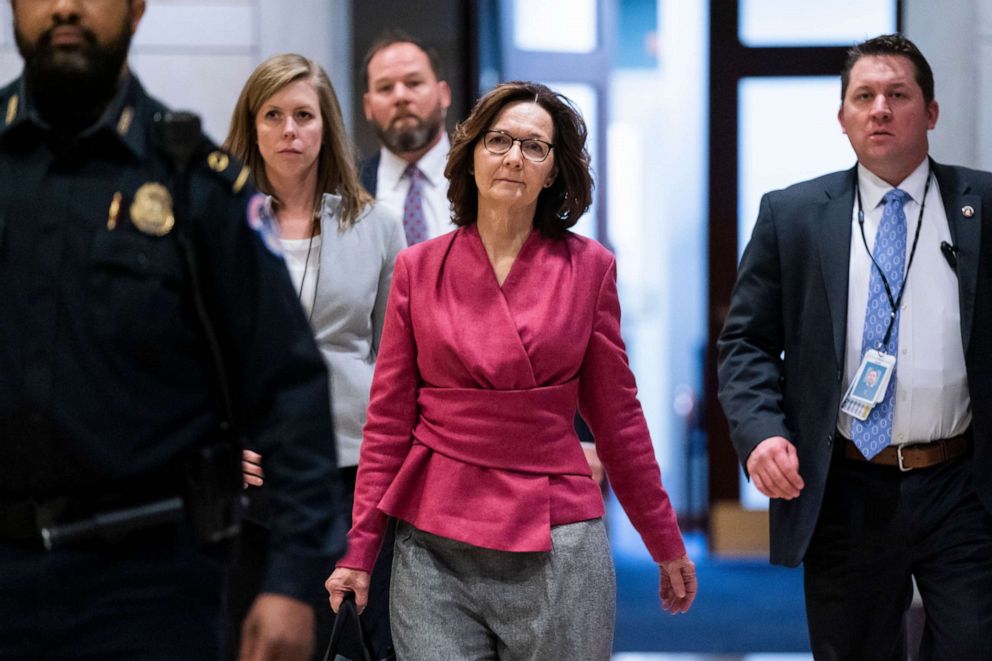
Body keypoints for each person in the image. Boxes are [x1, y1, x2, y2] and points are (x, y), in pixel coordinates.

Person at [0, 2, 346, 660]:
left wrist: (292, 580)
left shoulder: (196, 181)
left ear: (135, 10)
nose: (66, 7)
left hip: (148, 589)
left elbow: (289, 387)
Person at [327, 81, 697, 660]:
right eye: (499, 141)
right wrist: (360, 550)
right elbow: (388, 423)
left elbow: (618, 418)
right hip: (433, 541)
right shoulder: (417, 269)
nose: (513, 158)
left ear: (552, 172)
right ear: (471, 154)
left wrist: (663, 538)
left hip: (557, 539)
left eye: (535, 147)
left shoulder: (589, 268)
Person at [718, 33, 992, 660]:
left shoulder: (983, 206)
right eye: (863, 96)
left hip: (963, 485)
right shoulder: (793, 216)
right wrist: (761, 432)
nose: (880, 109)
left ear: (931, 112)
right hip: (845, 485)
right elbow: (746, 343)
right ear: (842, 116)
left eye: (898, 94)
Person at [225, 53, 405, 661]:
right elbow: (197, 361)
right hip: (249, 476)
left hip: (351, 472)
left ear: (327, 125)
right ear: (251, 127)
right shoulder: (221, 223)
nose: (289, 130)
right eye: (272, 115)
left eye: (304, 114)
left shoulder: (378, 225)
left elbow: (394, 361)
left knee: (352, 644)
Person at [358, 30, 454, 244]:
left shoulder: (482, 179)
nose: (400, 96)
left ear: (444, 94)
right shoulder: (345, 191)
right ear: (368, 107)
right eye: (385, 88)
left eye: (413, 83)